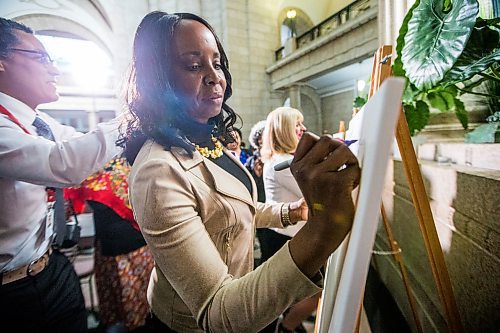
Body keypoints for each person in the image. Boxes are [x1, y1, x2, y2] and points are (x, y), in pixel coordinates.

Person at [119, 11, 360, 333]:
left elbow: (231, 212)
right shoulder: (158, 172)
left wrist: (294, 211)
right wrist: (325, 225)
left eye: (216, 63)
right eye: (193, 65)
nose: (214, 76)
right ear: (157, 79)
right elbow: (218, 314)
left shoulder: (208, 141)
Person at [0, 17, 121, 332]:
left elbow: (77, 143)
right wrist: (136, 117)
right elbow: (62, 163)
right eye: (40, 58)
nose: (54, 70)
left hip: (50, 266)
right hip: (12, 291)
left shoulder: (36, 121)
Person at [65, 157, 154, 332]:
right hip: (121, 250)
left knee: (135, 311)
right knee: (136, 309)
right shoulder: (123, 167)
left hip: (129, 250)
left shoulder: (88, 176)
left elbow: (71, 209)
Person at [261, 106, 319, 333]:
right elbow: (315, 193)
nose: (303, 128)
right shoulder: (282, 164)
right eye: (297, 124)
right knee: (314, 292)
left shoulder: (285, 160)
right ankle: (286, 328)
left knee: (298, 293)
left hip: (286, 236)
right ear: (284, 129)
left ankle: (289, 325)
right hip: (284, 238)